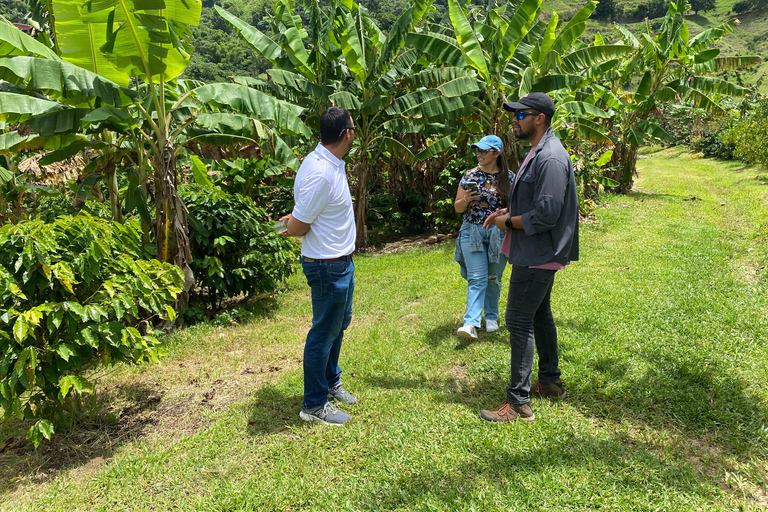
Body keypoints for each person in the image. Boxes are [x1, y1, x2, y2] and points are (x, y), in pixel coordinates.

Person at [479, 93, 579, 423]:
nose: (514, 119)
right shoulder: (540, 150)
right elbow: (536, 202)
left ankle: (519, 404)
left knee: (519, 320)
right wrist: (509, 212)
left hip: (537, 253)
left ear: (539, 118)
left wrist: (508, 222)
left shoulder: (550, 157)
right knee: (539, 315)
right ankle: (550, 382)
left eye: (520, 114)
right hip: (537, 251)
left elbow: (547, 214)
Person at [281, 106, 358, 426]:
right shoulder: (321, 172)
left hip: (340, 262)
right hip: (327, 266)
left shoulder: (329, 162)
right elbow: (298, 226)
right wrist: (293, 224)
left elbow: (309, 211)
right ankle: (313, 404)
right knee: (323, 333)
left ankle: (330, 381)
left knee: (339, 325)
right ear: (347, 134)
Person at [453, 135, 513, 340]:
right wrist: (465, 199)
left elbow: (516, 207)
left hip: (499, 233)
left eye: (484, 151)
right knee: (477, 278)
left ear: (497, 153)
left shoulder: (510, 178)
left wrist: (502, 213)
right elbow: (458, 208)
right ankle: (470, 323)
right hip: (473, 232)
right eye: (477, 150)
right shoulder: (469, 176)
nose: (479, 154)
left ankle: (492, 317)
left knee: (493, 278)